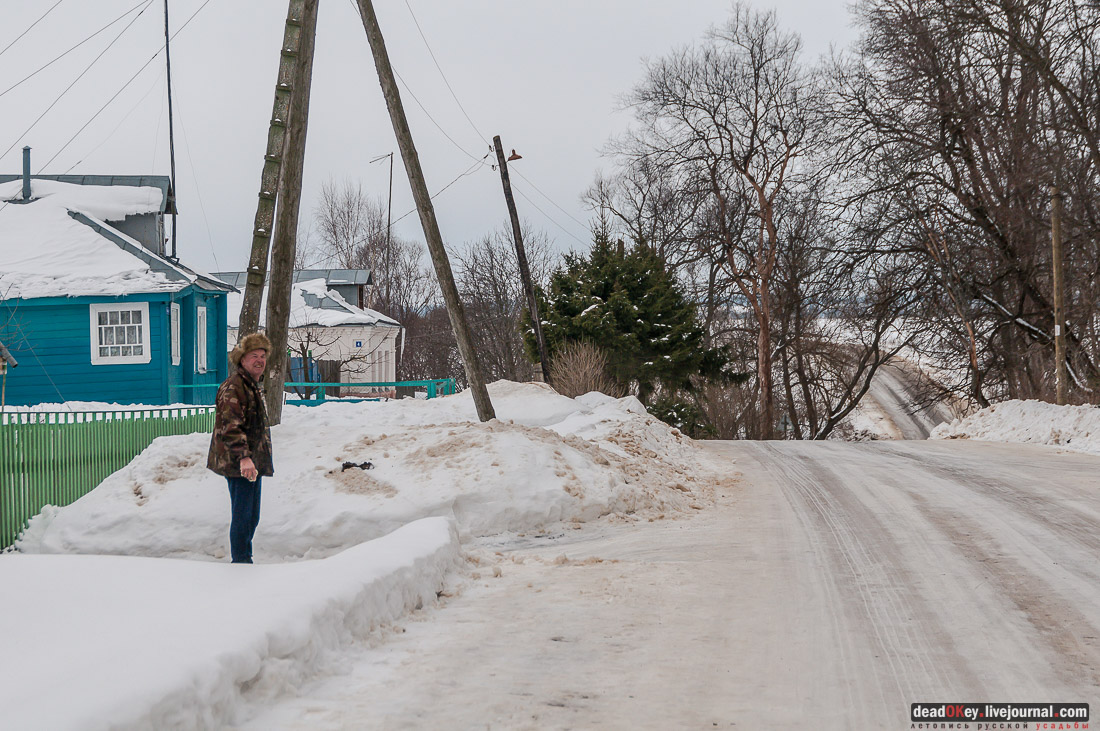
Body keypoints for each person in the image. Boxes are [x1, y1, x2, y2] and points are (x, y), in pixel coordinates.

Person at [207, 332, 275, 563]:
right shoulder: (234, 387)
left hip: (250, 461)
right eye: (254, 355)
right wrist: (244, 458)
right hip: (238, 462)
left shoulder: (251, 386)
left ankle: (244, 558)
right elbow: (230, 426)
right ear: (242, 360)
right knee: (243, 515)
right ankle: (241, 562)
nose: (259, 360)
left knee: (251, 516)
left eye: (263, 356)